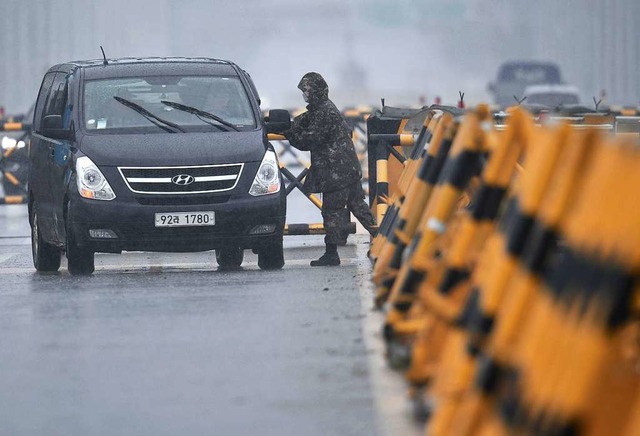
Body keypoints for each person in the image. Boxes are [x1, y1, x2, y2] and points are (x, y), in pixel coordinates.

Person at [283, 72, 377, 267]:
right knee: (358, 206)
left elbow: (308, 139)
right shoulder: (324, 108)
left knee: (331, 212)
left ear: (314, 92)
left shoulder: (324, 112)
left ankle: (331, 253)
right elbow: (306, 119)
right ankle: (383, 239)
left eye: (307, 91)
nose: (305, 95)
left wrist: (289, 133)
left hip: (336, 172)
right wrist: (290, 123)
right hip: (347, 169)